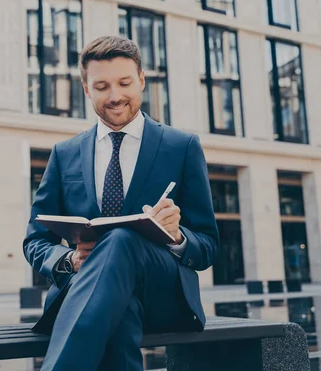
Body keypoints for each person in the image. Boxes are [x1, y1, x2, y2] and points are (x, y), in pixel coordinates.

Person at [23, 36, 219, 371]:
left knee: (121, 239)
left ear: (142, 80)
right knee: (120, 307)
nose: (115, 96)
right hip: (87, 292)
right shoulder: (65, 154)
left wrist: (177, 236)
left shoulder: (182, 146)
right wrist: (69, 259)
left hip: (162, 297)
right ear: (87, 89)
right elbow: (35, 240)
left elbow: (208, 245)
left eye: (124, 83)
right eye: (101, 86)